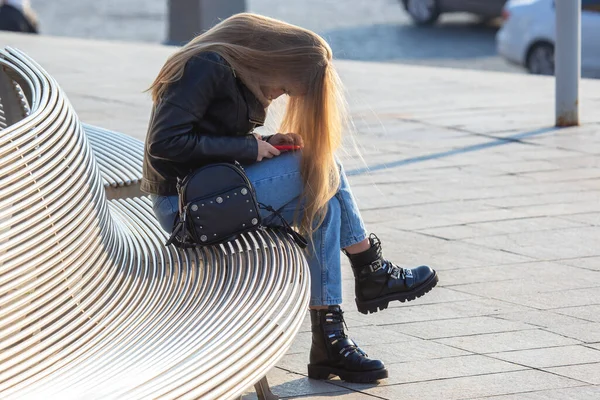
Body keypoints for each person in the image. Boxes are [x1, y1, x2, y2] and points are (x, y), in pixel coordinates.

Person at [142, 13, 438, 384]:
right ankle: (369, 271)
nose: (280, 95)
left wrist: (265, 144)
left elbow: (206, 139)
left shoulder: (231, 70)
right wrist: (249, 147)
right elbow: (165, 145)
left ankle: (331, 339)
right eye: (285, 88)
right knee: (321, 168)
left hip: (212, 196)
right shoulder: (207, 64)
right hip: (184, 208)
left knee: (322, 202)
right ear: (276, 61)